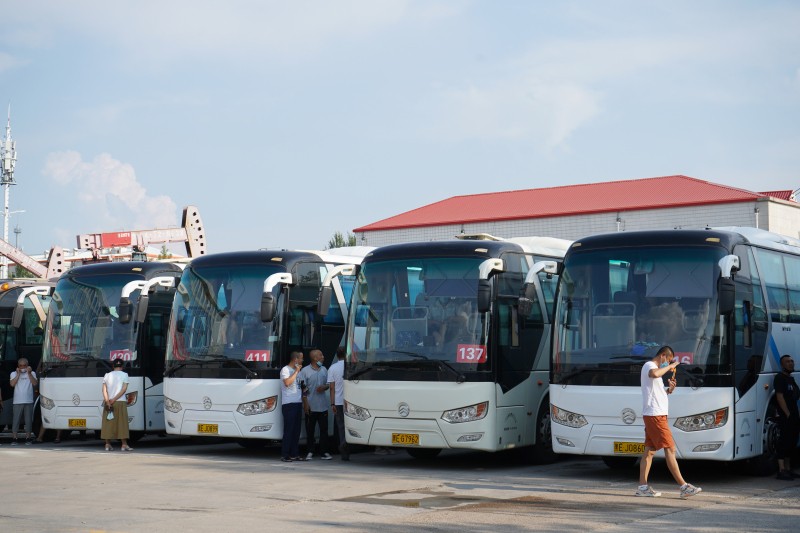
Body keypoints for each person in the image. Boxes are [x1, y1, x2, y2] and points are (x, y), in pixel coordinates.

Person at [637, 345, 702, 499]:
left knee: (649, 451)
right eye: (669, 360)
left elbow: (656, 394)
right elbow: (654, 373)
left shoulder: (655, 370)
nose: (669, 364)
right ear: (663, 356)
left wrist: (669, 390)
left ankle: (642, 487)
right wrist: (671, 366)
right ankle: (683, 486)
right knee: (670, 449)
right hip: (655, 416)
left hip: (655, 415)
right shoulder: (650, 366)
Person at [299, 349, 333, 460]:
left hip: (323, 406)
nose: (323, 357)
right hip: (311, 406)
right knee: (310, 430)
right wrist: (305, 404)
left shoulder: (324, 369)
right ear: (314, 358)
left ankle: (324, 452)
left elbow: (328, 384)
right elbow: (303, 389)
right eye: (321, 355)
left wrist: (324, 387)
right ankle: (310, 451)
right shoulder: (304, 371)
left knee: (324, 430)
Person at [774, 354, 800, 480]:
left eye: (792, 361)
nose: (791, 363)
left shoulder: (791, 379)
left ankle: (789, 469)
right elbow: (779, 396)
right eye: (788, 362)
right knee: (784, 441)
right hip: (786, 416)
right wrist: (787, 413)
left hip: (795, 414)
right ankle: (781, 469)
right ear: (782, 365)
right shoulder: (779, 378)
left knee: (792, 441)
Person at [101, 358, 132, 451]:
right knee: (122, 423)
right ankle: (124, 444)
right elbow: (124, 389)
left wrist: (108, 401)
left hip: (108, 402)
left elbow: (104, 390)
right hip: (120, 402)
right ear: (122, 367)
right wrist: (114, 399)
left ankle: (107, 444)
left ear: (113, 366)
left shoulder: (107, 375)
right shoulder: (125, 375)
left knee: (108, 423)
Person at [279, 351, 305, 462]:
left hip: (298, 403)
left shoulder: (299, 372)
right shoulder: (285, 370)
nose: (302, 361)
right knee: (289, 430)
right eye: (301, 358)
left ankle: (295, 453)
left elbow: (303, 387)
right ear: (295, 359)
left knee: (296, 431)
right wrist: (296, 371)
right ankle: (285, 454)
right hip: (289, 404)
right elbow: (287, 382)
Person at [10, 357, 38, 445]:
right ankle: (14, 438)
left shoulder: (32, 373)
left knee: (29, 420)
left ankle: (28, 438)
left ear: (27, 365)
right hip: (17, 401)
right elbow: (12, 384)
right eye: (20, 366)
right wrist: (18, 374)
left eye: (24, 366)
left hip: (29, 400)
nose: (22, 367)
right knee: (16, 420)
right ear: (18, 366)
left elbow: (35, 383)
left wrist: (29, 373)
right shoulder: (13, 373)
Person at [328, 346, 349, 461]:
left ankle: (344, 452)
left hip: (338, 402)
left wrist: (332, 404)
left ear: (337, 355)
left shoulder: (332, 368)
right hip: (350, 402)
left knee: (341, 427)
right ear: (347, 355)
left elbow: (332, 387)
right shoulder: (350, 366)